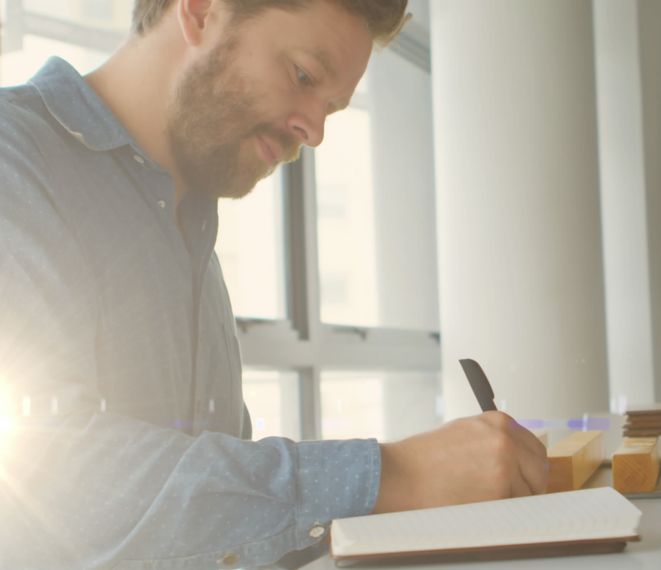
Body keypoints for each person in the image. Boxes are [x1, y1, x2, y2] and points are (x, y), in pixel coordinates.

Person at [0, 1, 548, 568]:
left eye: (332, 108)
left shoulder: (192, 240)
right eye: (304, 76)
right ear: (201, 11)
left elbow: (215, 535)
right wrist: (393, 475)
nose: (313, 132)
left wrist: (426, 495)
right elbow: (50, 484)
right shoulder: (13, 160)